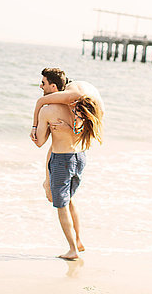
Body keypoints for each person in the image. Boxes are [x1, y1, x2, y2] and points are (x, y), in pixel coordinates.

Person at [32, 69, 104, 260]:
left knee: (61, 205)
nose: (41, 86)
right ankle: (78, 241)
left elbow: (40, 142)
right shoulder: (77, 106)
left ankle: (72, 250)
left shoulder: (48, 109)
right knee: (70, 200)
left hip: (62, 160)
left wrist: (35, 129)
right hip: (79, 157)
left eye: (43, 83)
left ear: (53, 87)